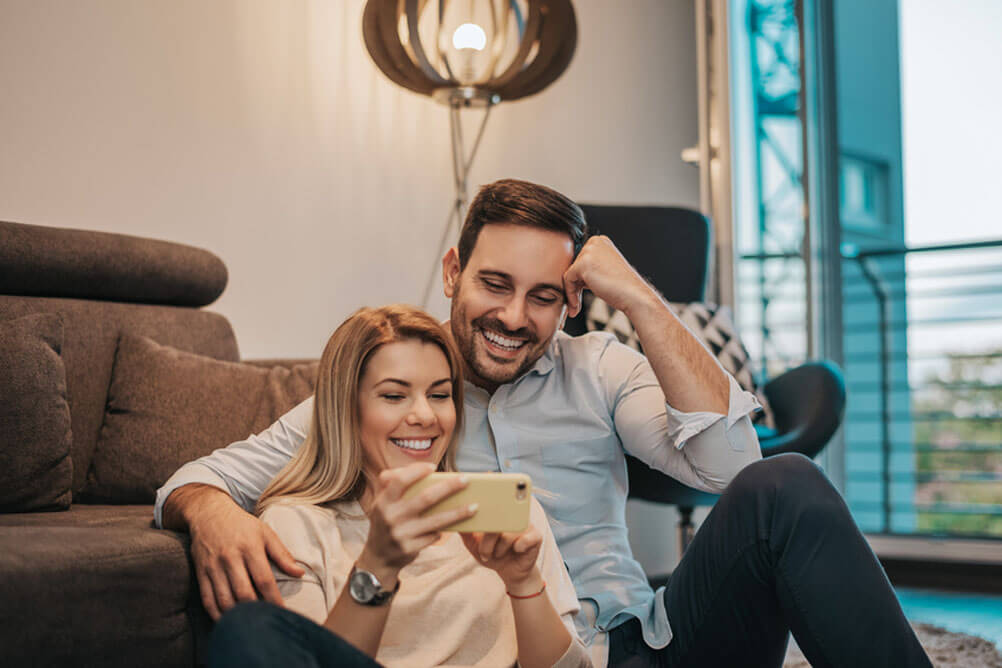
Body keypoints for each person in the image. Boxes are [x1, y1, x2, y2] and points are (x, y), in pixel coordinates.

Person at [158, 179, 931, 667]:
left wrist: (636, 298)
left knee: (785, 483)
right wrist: (208, 511)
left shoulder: (598, 365)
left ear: (570, 302)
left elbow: (735, 470)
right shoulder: (399, 391)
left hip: (648, 646)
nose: (512, 318)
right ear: (454, 272)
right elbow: (205, 475)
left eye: (543, 296)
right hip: (505, 655)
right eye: (494, 285)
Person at [208, 305, 590, 667]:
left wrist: (523, 583)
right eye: (394, 396)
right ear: (346, 409)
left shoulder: (509, 517)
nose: (425, 415)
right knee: (249, 628)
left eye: (440, 395)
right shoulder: (296, 526)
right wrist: (378, 565)